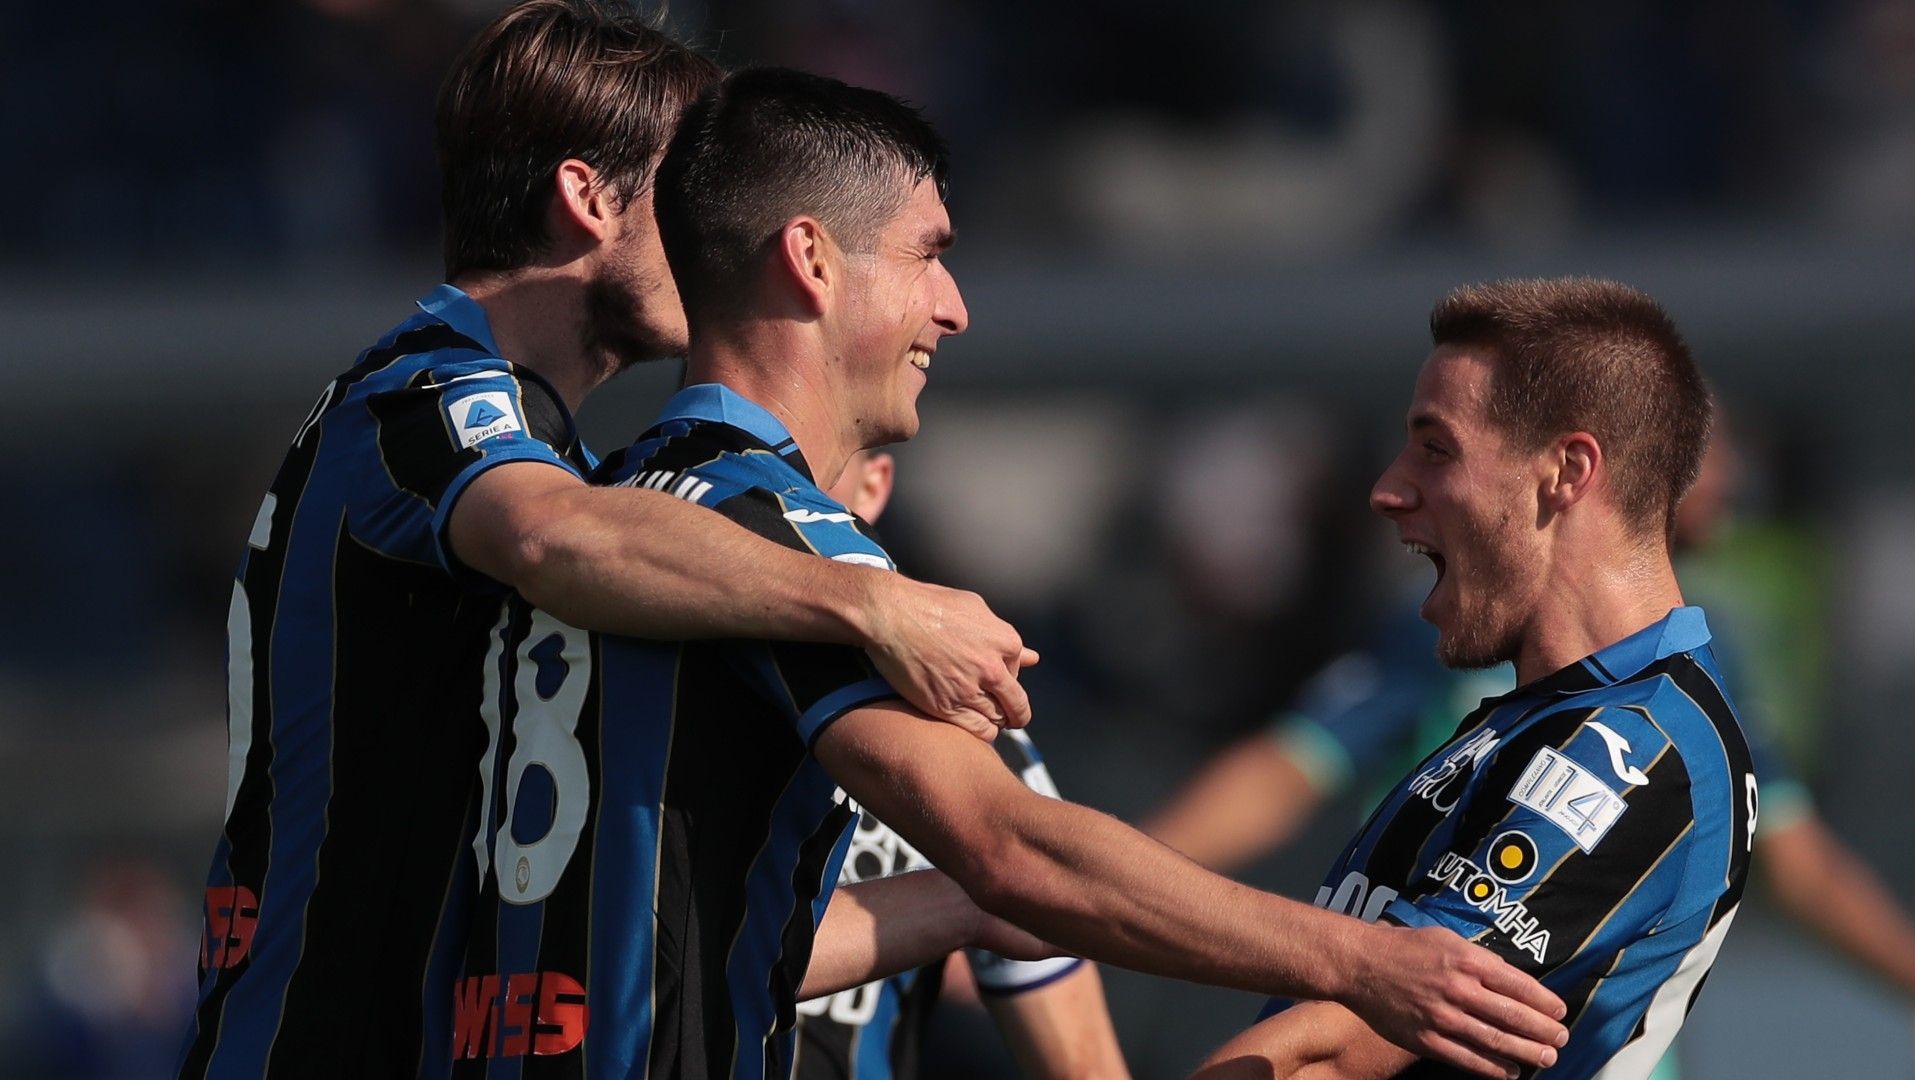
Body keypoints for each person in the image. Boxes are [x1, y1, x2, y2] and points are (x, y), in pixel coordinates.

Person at [452, 67, 1569, 1080]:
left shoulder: (595, 511)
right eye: (930, 254)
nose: (956, 306)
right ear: (812, 261)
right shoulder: (780, 545)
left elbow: (669, 929)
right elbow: (1012, 851)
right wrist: (1362, 961)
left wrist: (956, 906)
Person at [176, 5, 1037, 1077]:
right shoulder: (429, 398)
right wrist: (871, 601)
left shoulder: (556, 460)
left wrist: (981, 897)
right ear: (586, 199)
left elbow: (726, 937)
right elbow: (551, 538)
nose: (721, 233)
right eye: (687, 198)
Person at [1149, 426, 1915, 1077]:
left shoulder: (1689, 689)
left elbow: (1800, 862)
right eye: (1705, 443)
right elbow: (1289, 766)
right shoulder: (1448, 625)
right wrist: (1126, 882)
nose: (1726, 469)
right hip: (1401, 994)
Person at [1197, 277, 1755, 1078]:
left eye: (1435, 448)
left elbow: (1333, 1057)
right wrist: (1051, 897)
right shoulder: (1527, 717)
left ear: (1566, 472)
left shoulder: (1639, 749)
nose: (1387, 491)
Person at [793, 450, 1130, 1080]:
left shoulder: (969, 719)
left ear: (874, 487)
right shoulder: (607, 686)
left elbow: (1082, 1060)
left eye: (800, 463)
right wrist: (959, 906)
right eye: (735, 458)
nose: (767, 496)